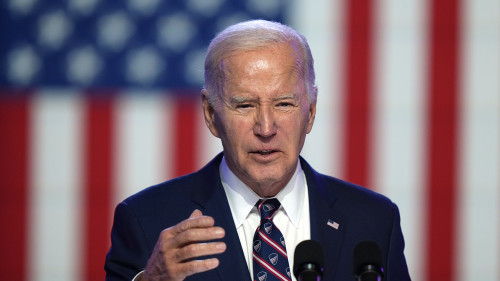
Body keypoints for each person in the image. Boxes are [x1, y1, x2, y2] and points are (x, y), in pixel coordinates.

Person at [104, 19, 411, 281]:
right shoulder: (147, 220)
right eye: (245, 105)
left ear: (312, 111)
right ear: (211, 115)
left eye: (284, 104)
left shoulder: (373, 221)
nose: (266, 128)